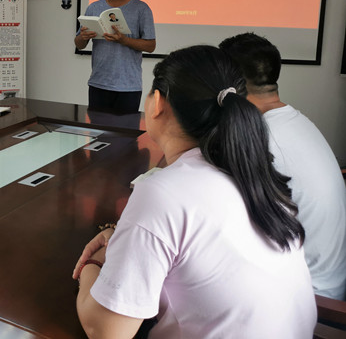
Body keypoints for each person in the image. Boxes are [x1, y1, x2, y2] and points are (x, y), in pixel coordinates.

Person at [73, 45, 316, 338]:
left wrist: (94, 263)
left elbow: (105, 331)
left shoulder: (162, 193)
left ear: (157, 103)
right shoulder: (253, 171)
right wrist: (121, 240)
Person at [220, 32, 346, 300]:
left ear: (230, 86)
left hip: (310, 298)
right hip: (328, 281)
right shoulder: (296, 121)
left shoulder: (261, 140)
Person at [74, 0, 156, 113]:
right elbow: (79, 44)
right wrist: (82, 37)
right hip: (98, 83)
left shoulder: (141, 9)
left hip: (128, 87)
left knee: (126, 128)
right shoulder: (93, 8)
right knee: (97, 128)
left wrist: (124, 40)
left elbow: (151, 46)